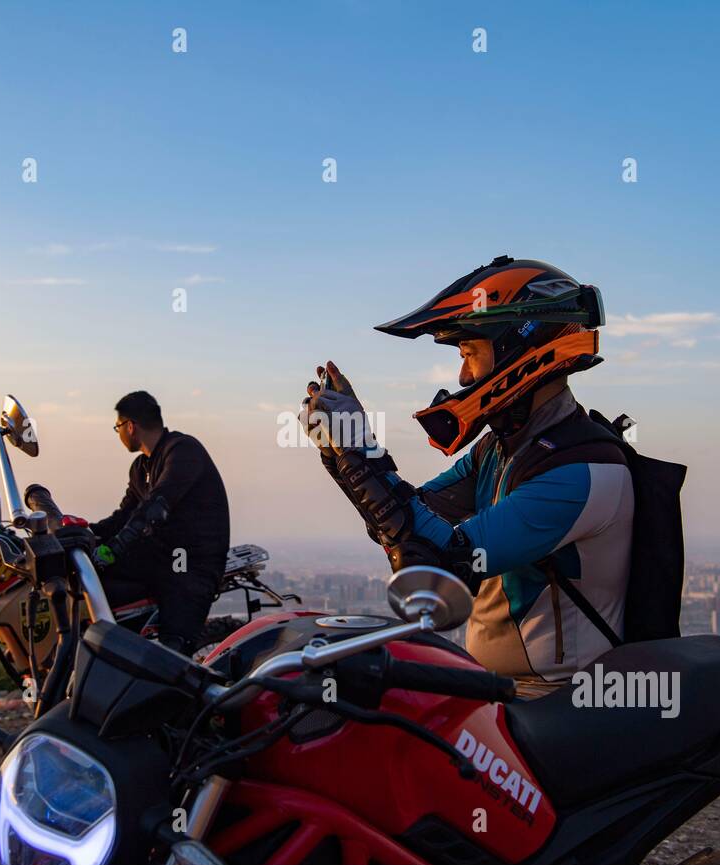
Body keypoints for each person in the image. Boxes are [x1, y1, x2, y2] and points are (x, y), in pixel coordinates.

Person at [303, 256, 633, 698]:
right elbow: (409, 519)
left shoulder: (583, 470)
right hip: (500, 687)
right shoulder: (499, 449)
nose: (462, 375)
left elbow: (436, 561)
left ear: (520, 346)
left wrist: (359, 451)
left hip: (558, 700)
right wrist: (342, 452)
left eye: (470, 352)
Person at [91, 391, 230, 655]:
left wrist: (114, 549)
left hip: (191, 566)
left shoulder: (183, 450)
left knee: (173, 655)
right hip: (158, 559)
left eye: (117, 427)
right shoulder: (140, 467)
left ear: (130, 426)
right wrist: (85, 532)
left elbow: (156, 506)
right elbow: (124, 516)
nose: (118, 433)